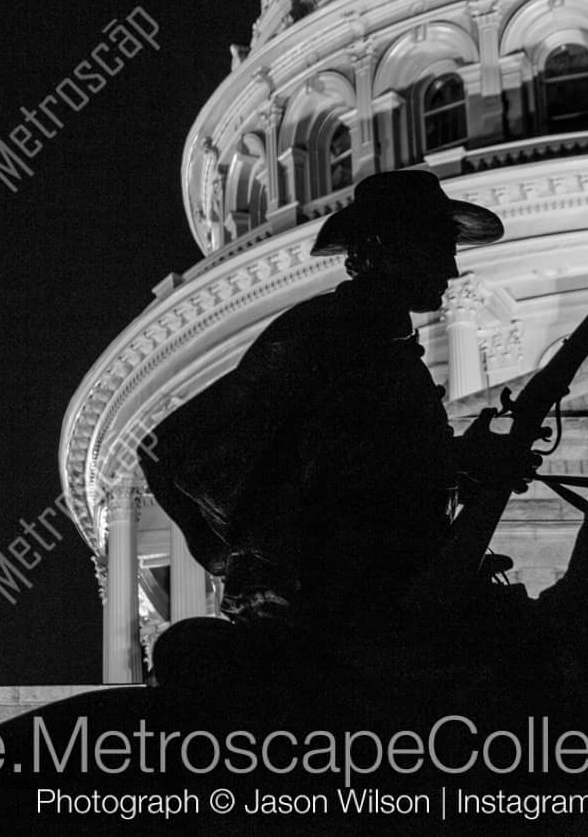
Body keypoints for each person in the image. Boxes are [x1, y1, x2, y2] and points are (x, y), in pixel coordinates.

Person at [139, 170, 535, 637]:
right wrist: (237, 554)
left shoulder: (391, 346)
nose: (450, 269)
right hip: (349, 600)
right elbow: (163, 449)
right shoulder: (324, 333)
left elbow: (374, 464)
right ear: (385, 246)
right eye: (437, 247)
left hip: (399, 578)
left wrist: (463, 463)